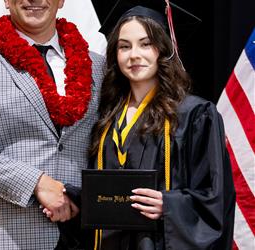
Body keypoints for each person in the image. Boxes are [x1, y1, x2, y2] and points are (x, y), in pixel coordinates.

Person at [0, 0, 104, 249]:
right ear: (6, 1)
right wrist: (37, 183)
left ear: (61, 1)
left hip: (82, 237)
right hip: (3, 238)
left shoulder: (99, 67)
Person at [88, 0, 236, 249]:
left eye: (146, 44)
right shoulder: (106, 118)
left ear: (164, 49)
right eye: (124, 46)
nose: (134, 54)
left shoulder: (195, 114)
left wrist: (169, 205)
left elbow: (216, 197)